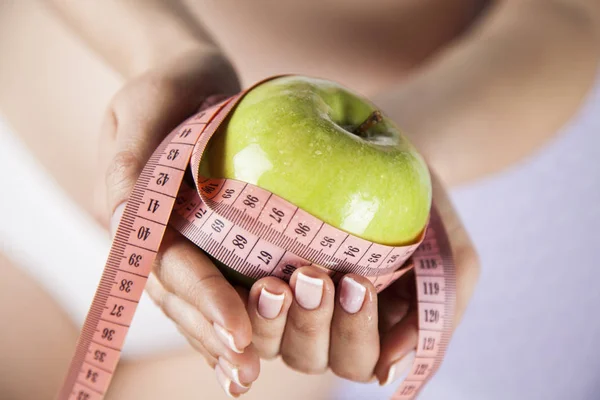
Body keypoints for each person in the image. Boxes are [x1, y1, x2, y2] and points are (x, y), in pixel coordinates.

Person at [0, 0, 598, 399]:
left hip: (260, 327)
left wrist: (408, 149)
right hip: (18, 165)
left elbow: (570, 14)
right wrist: (159, 49)